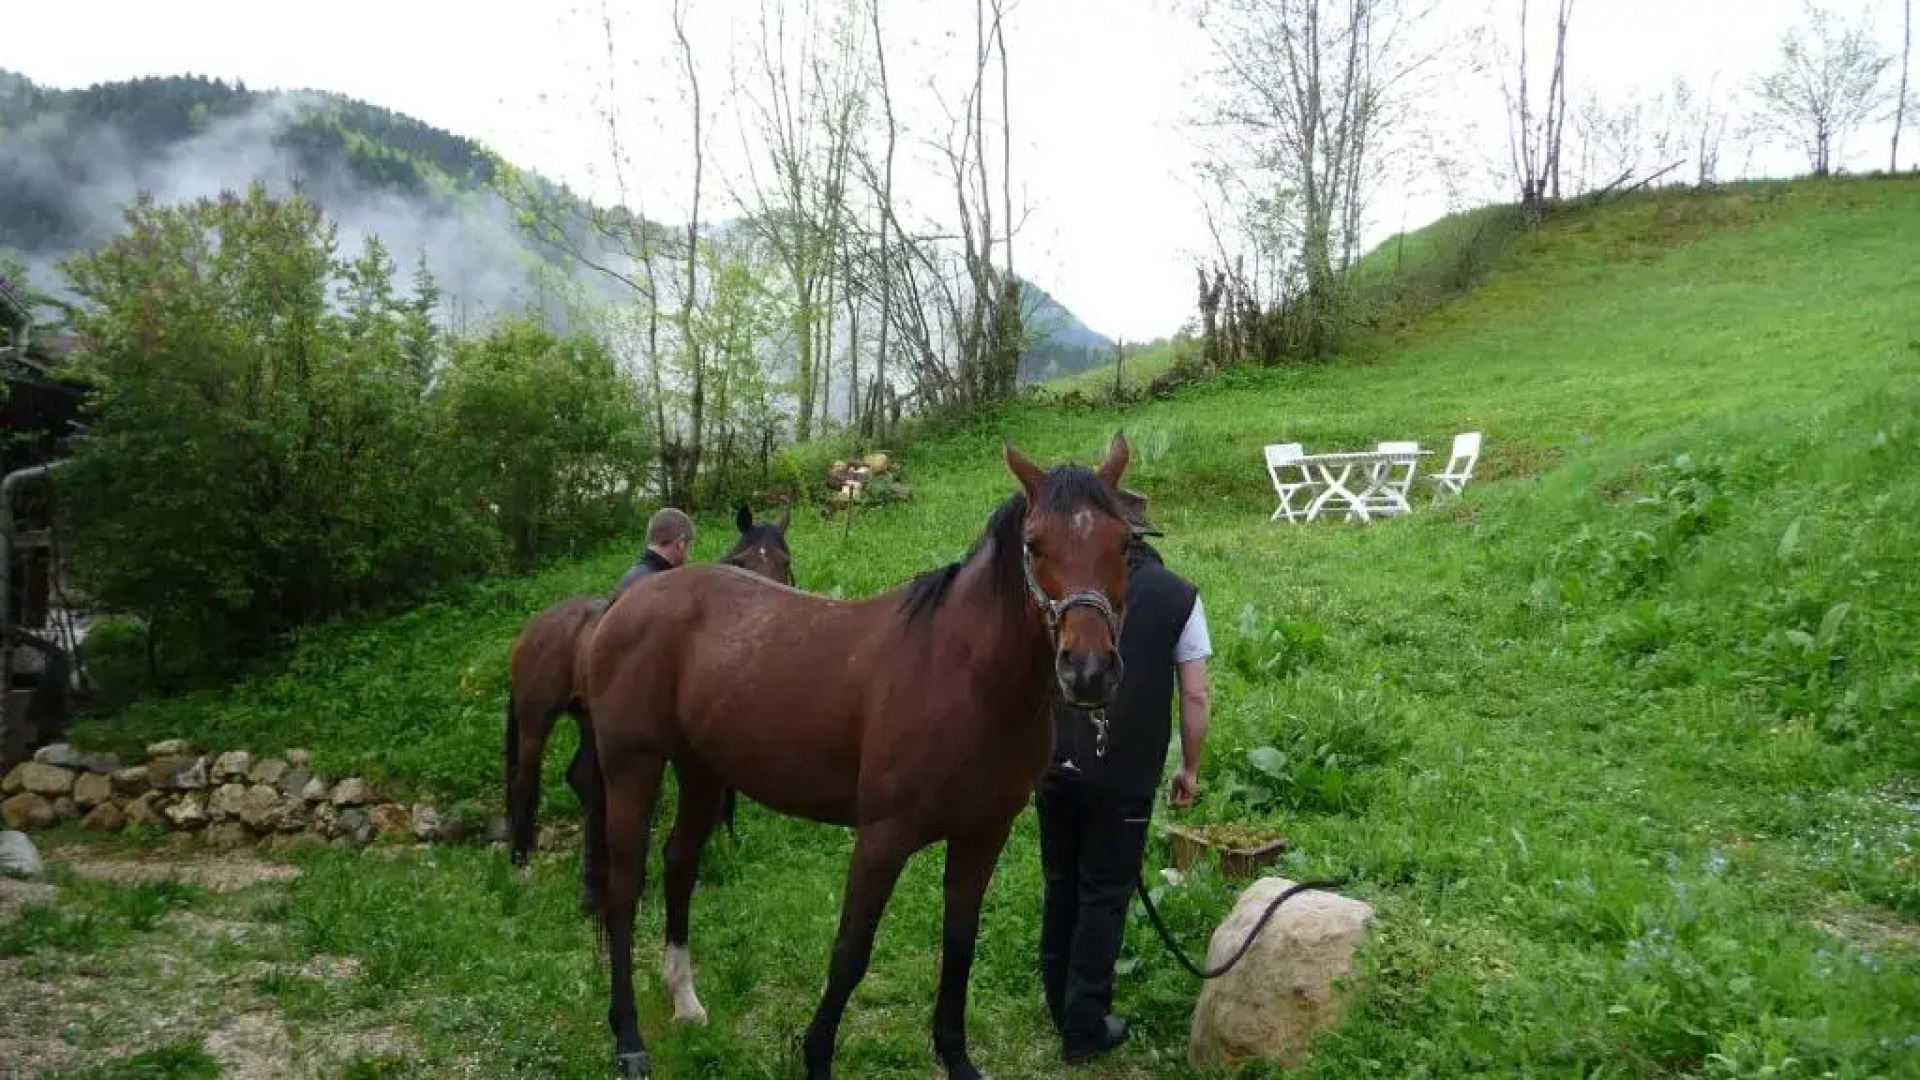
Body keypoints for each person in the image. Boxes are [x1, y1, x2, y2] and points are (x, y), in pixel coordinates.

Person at [1037, 486, 1213, 1065]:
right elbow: (1195, 694)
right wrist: (1190, 767)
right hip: (1125, 778)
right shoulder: (1179, 598)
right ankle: (1084, 1025)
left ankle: (1058, 1001)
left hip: (1056, 767)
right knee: (1104, 894)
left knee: (1061, 881)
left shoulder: (1061, 594)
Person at [611, 507, 696, 599]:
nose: (689, 557)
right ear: (681, 543)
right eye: (689, 547)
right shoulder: (664, 585)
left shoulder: (630, 577)